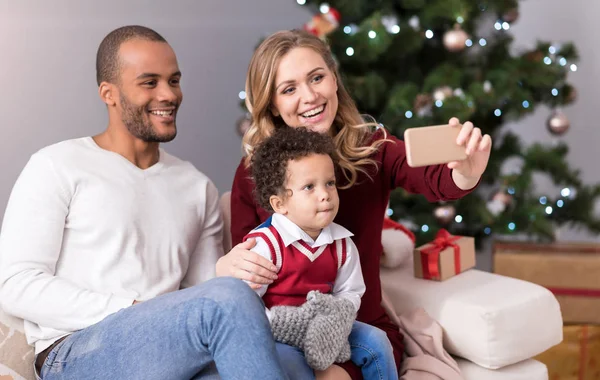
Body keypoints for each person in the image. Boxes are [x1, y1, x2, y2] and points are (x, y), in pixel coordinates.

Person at [0, 25, 288, 380]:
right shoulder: (57, 165)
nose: (168, 94)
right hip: (75, 353)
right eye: (149, 82)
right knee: (227, 300)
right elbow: (14, 283)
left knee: (293, 361)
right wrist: (133, 310)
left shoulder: (196, 186)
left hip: (165, 349)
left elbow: (206, 293)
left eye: (174, 80)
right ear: (109, 93)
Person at [216, 29, 492, 380]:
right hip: (285, 334)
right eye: (289, 89)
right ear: (272, 104)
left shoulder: (372, 148)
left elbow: (433, 179)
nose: (310, 96)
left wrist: (466, 175)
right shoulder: (253, 172)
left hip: (356, 332)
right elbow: (247, 261)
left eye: (317, 78)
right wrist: (229, 267)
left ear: (333, 80)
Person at [245, 126, 398, 380]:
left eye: (329, 183)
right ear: (279, 203)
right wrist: (280, 324)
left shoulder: (341, 243)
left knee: (377, 340)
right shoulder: (266, 244)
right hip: (280, 333)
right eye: (309, 187)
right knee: (292, 365)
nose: (325, 195)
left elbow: (351, 291)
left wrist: (335, 321)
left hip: (327, 325)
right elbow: (246, 302)